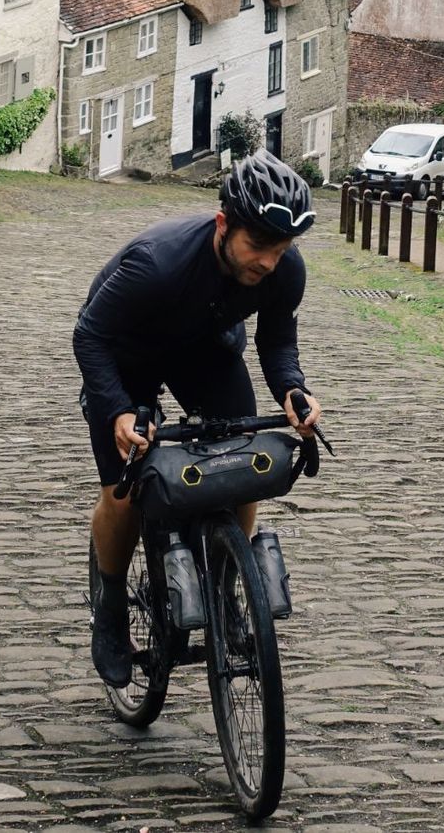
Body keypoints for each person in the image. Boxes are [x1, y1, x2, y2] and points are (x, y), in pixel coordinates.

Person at [73, 151, 325, 687]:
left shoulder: (283, 271)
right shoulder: (158, 262)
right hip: (125, 354)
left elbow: (277, 341)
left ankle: (230, 588)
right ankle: (112, 605)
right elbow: (89, 336)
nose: (267, 263)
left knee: (246, 458)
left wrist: (293, 390)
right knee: (124, 492)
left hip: (205, 349)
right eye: (256, 246)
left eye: (279, 251)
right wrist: (118, 409)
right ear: (222, 225)